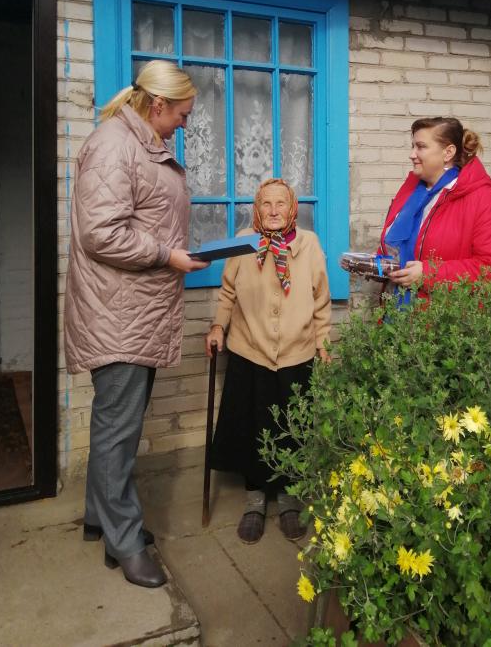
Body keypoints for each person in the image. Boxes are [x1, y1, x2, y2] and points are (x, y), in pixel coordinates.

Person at [64, 60, 209, 588]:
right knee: (117, 430)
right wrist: (167, 255)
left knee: (116, 425)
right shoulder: (115, 145)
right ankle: (123, 543)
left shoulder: (139, 143)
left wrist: (171, 252)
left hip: (134, 309)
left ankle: (100, 518)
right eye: (182, 114)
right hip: (118, 312)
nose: (185, 124)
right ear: (157, 105)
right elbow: (100, 233)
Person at [205, 178, 331, 544]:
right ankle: (255, 500)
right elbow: (228, 292)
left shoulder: (309, 244)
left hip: (296, 351)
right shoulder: (244, 242)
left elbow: (321, 299)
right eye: (266, 204)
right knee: (252, 427)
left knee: (293, 429)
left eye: (281, 204)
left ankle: (289, 499)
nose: (273, 211)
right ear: (256, 209)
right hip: (251, 350)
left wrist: (323, 342)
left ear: (292, 209)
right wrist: (218, 327)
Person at [380, 117, 491, 297]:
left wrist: (429, 274)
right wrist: (377, 265)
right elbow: (396, 246)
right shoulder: (411, 190)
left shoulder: (482, 198)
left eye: (421, 147)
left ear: (448, 152)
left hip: (446, 313)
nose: (412, 154)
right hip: (396, 309)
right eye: (413, 146)